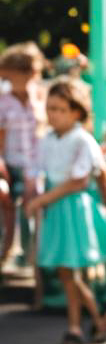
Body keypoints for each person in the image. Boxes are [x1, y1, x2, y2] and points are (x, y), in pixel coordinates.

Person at [25, 79, 106, 344]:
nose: (53, 114)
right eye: (50, 108)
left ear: (76, 112)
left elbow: (79, 180)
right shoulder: (48, 140)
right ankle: (93, 320)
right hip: (56, 206)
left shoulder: (82, 140)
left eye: (60, 109)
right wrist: (35, 195)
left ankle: (81, 324)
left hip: (74, 208)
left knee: (72, 270)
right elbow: (36, 169)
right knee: (67, 273)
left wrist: (42, 200)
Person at [0, 42, 45, 269]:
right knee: (7, 208)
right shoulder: (4, 101)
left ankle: (32, 258)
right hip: (10, 164)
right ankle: (6, 252)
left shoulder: (40, 97)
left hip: (35, 165)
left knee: (34, 207)